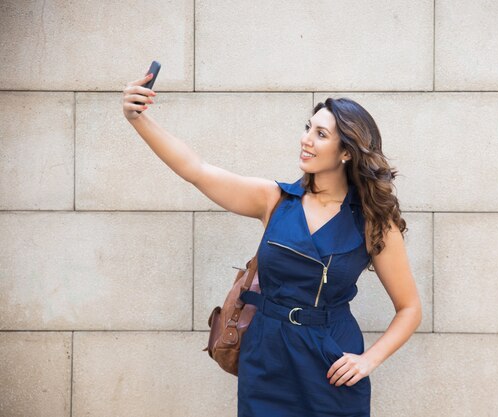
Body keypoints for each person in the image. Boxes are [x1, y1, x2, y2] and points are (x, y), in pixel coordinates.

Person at [123, 71, 422, 416]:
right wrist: (139, 119)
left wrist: (369, 360)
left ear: (346, 153)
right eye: (308, 127)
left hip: (330, 363)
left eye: (320, 134)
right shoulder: (275, 200)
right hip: (266, 357)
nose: (306, 139)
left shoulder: (373, 220)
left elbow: (409, 308)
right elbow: (197, 169)